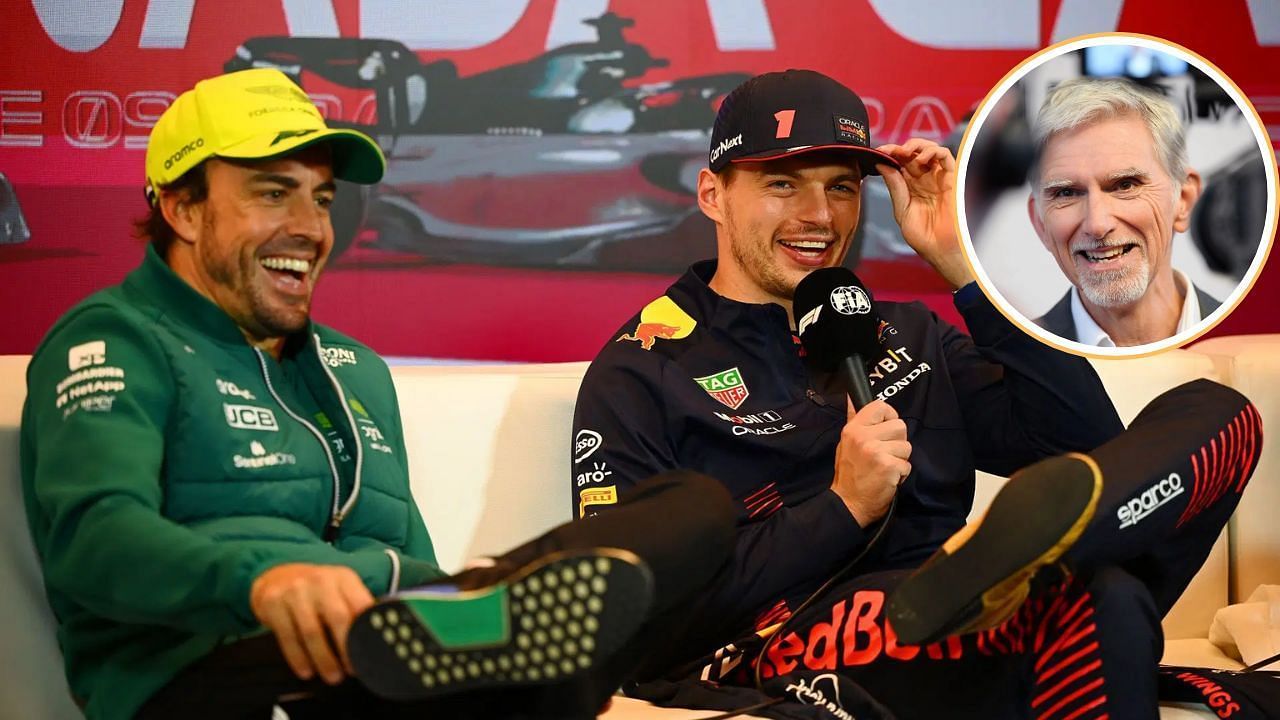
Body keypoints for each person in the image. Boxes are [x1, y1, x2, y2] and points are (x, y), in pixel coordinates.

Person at [20, 68, 737, 720]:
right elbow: (95, 541)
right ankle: (525, 680)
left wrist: (460, 599)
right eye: (274, 192)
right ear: (182, 208)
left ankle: (505, 664)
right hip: (203, 671)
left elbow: (411, 564)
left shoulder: (353, 367)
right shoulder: (114, 339)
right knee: (427, 655)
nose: (310, 228)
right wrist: (262, 582)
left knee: (693, 510)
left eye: (322, 198)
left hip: (387, 646)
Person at [573, 69, 1260, 719]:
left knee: (1219, 415)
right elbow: (629, 621)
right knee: (1105, 601)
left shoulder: (906, 332)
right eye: (783, 185)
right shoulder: (641, 371)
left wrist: (963, 267)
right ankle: (976, 591)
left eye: (842, 188)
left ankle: (981, 584)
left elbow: (1083, 449)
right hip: (779, 648)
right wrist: (842, 508)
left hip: (968, 631)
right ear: (712, 195)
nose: (818, 215)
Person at [1027, 77, 1221, 347]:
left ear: (1184, 200)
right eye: (1067, 193)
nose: (1097, 224)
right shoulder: (1009, 366)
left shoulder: (1256, 342)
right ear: (1039, 223)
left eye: (1125, 185)